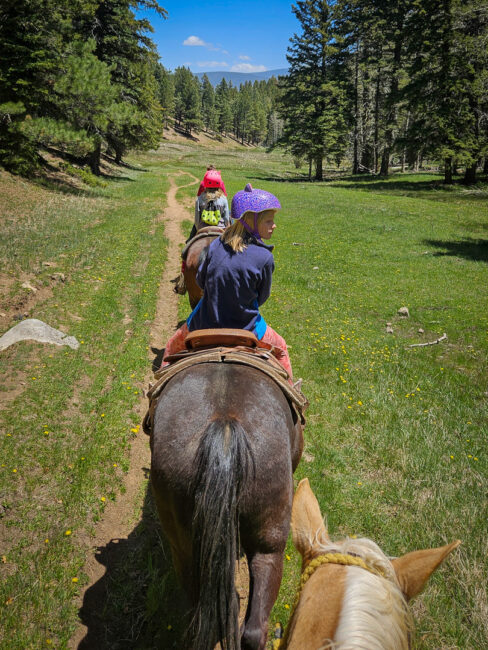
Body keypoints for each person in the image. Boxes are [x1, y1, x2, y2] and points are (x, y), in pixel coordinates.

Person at [163, 183, 293, 380]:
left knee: (171, 346)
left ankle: (156, 396)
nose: (273, 225)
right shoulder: (265, 257)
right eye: (268, 221)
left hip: (204, 322)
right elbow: (262, 296)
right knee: (281, 348)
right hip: (247, 327)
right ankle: (295, 404)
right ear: (252, 221)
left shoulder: (216, 245)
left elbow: (200, 281)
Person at [187, 168, 230, 241]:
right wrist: (226, 227)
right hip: (220, 227)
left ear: (205, 183)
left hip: (202, 228)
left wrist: (198, 228)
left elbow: (197, 219)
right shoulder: (223, 198)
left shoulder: (199, 198)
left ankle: (188, 243)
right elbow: (226, 217)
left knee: (190, 243)